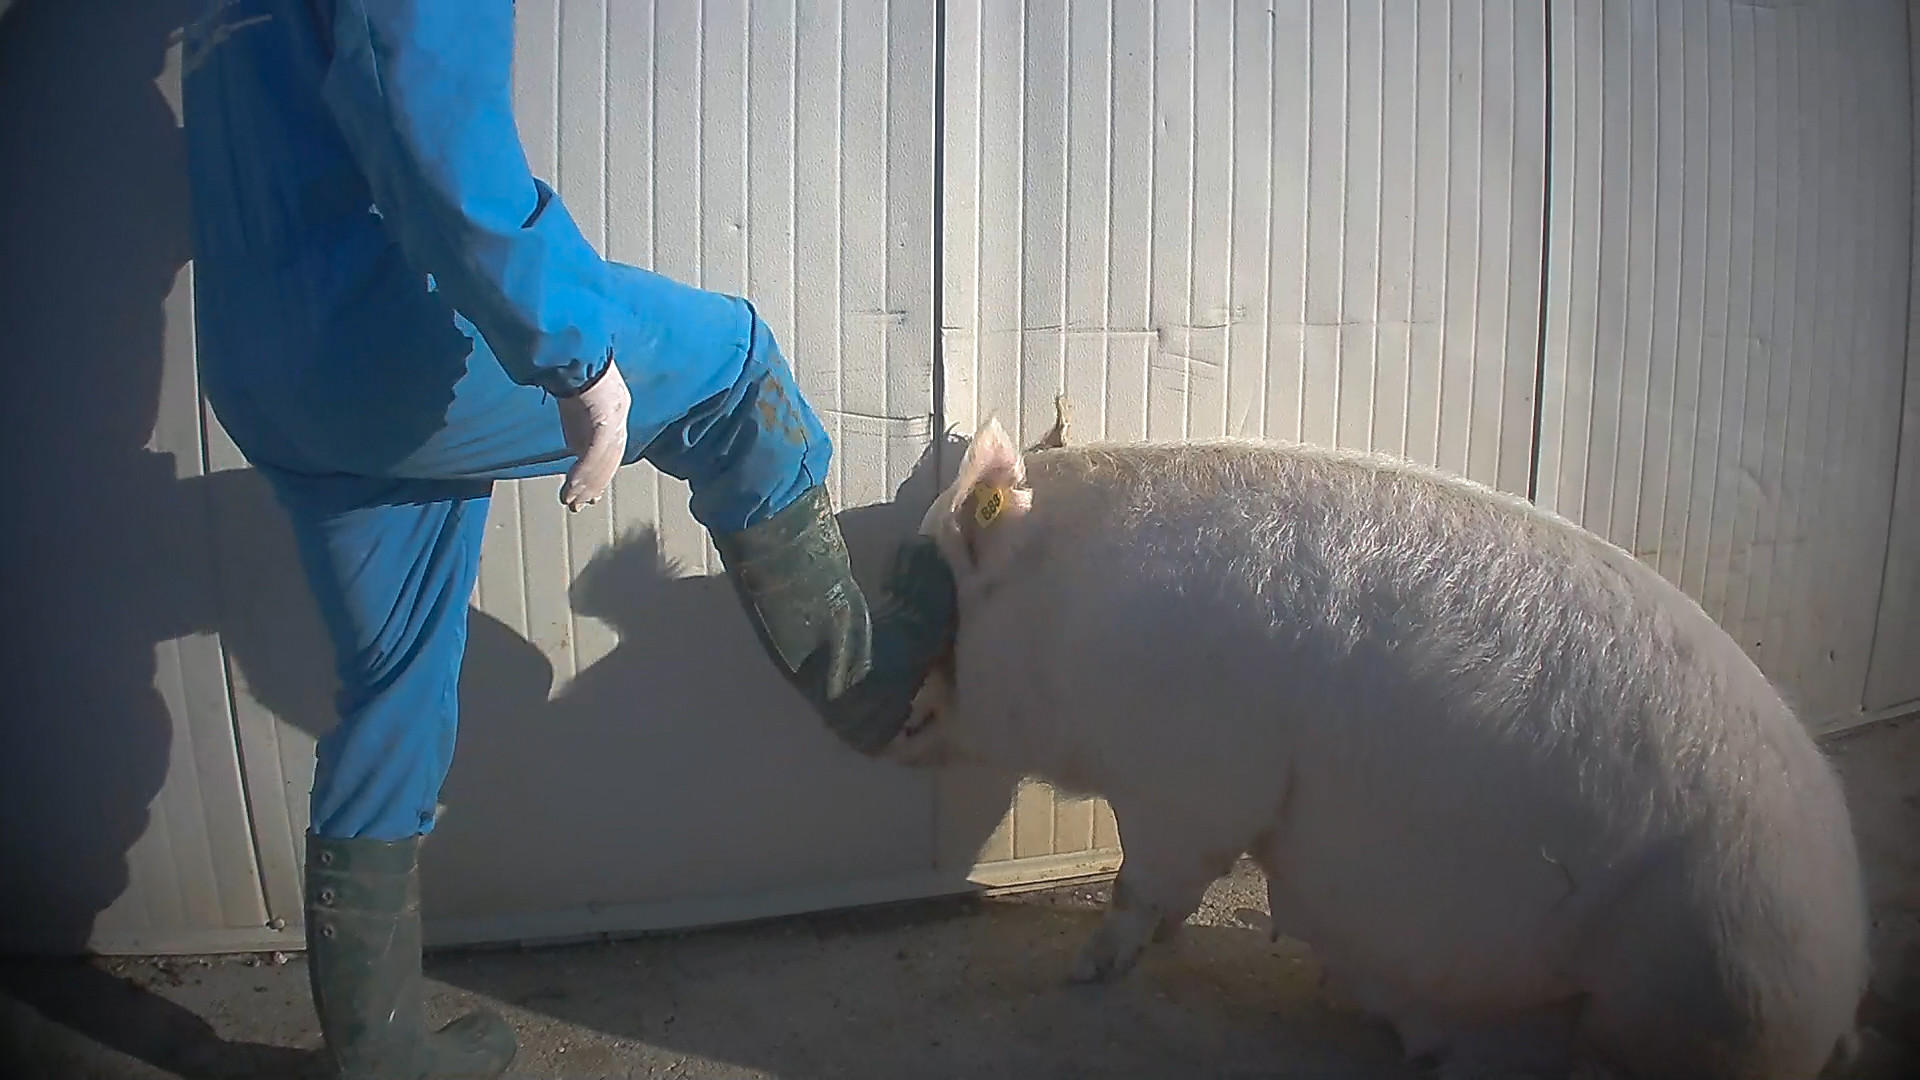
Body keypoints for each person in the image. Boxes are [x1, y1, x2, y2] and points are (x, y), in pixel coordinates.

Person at [177, 2, 957, 1076]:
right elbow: (419, 95)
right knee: (734, 373)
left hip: (263, 362)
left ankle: (380, 1055)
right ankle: (870, 684)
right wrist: (575, 352)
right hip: (390, 338)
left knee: (395, 684)